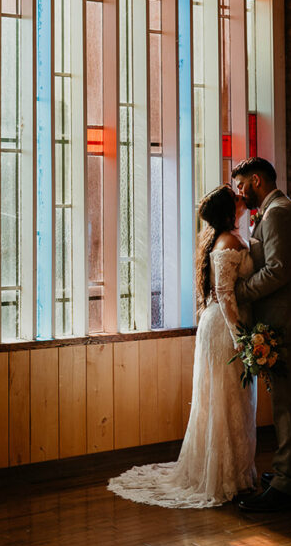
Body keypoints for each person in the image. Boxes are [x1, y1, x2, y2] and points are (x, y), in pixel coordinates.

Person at [107, 185, 257, 508]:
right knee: (227, 400)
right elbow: (227, 296)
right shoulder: (228, 241)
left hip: (215, 326)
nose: (241, 197)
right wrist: (243, 340)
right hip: (225, 330)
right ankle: (227, 478)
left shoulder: (224, 238)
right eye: (236, 197)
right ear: (228, 211)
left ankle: (233, 474)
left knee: (225, 401)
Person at [232, 156, 291, 513]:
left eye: (241, 185)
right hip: (287, 320)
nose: (240, 193)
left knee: (289, 402)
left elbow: (278, 271)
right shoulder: (275, 211)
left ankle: (288, 482)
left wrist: (240, 292)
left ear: (256, 180)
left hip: (289, 321)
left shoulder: (279, 213)